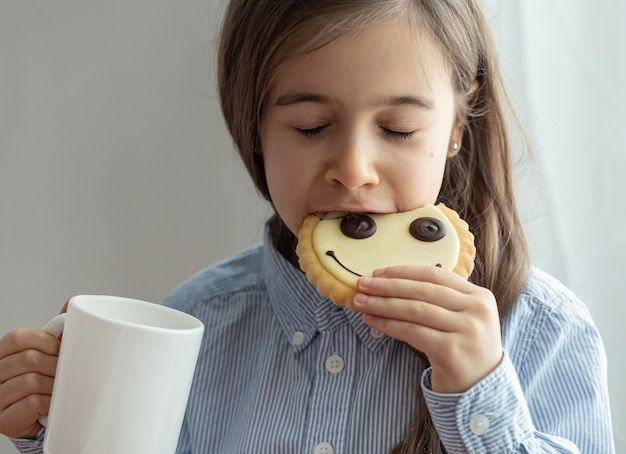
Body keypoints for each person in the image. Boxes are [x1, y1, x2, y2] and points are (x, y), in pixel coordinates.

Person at [1, 0, 615, 452]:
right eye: (311, 127)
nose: (353, 170)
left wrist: (478, 392)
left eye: (398, 129)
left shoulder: (544, 330)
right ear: (257, 127)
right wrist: (55, 427)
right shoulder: (200, 324)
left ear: (456, 125)